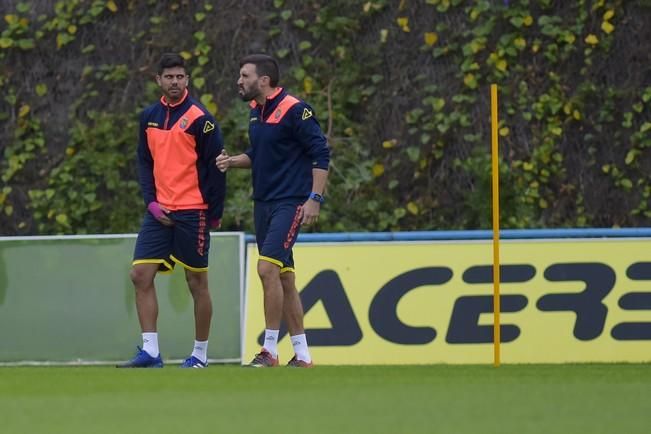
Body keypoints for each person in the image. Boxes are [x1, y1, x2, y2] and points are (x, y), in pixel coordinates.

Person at [216, 54, 330, 368]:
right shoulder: (256, 111)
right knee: (285, 278)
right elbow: (260, 153)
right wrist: (232, 161)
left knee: (266, 270)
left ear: (263, 80)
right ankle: (303, 355)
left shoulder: (296, 109)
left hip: (290, 202)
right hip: (263, 203)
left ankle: (269, 350)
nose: (239, 81)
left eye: (244, 75)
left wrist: (314, 199)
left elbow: (321, 153)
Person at [117, 53, 226, 368]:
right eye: (169, 77)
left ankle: (200, 355)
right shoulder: (148, 117)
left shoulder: (201, 119)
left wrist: (214, 214)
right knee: (139, 275)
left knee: (196, 282)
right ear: (158, 81)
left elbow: (216, 169)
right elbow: (144, 162)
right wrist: (151, 202)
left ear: (187, 80)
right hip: (159, 212)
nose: (175, 82)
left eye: (180, 77)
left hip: (194, 211)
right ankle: (151, 352)